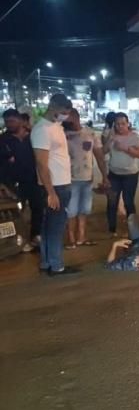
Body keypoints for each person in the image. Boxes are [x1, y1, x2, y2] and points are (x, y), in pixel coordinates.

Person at [31, 94, 79, 276]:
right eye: (62, 112)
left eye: (67, 113)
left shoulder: (55, 126)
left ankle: (46, 262)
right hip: (54, 186)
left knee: (48, 226)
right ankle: (57, 266)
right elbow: (42, 164)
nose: (65, 116)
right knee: (56, 228)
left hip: (61, 184)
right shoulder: (42, 129)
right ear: (52, 106)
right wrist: (51, 192)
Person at [64, 108, 109, 248]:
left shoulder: (89, 134)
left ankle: (81, 238)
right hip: (69, 179)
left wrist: (105, 176)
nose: (66, 120)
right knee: (71, 211)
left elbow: (99, 157)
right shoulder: (63, 135)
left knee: (84, 209)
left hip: (87, 179)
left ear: (76, 117)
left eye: (68, 117)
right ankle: (71, 240)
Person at [1, 109, 44, 252]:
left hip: (34, 181)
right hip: (13, 185)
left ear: (19, 120)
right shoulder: (3, 140)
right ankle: (18, 240)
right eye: (6, 122)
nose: (9, 124)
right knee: (17, 213)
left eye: (12, 121)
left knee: (38, 209)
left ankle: (35, 236)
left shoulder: (33, 136)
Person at [104, 112, 139, 237]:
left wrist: (126, 149)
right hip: (114, 174)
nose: (120, 126)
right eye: (117, 124)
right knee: (112, 202)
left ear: (128, 124)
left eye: (123, 124)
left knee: (128, 202)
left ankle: (132, 230)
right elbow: (103, 151)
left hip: (130, 175)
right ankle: (112, 229)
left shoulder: (135, 137)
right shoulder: (112, 136)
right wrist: (110, 139)